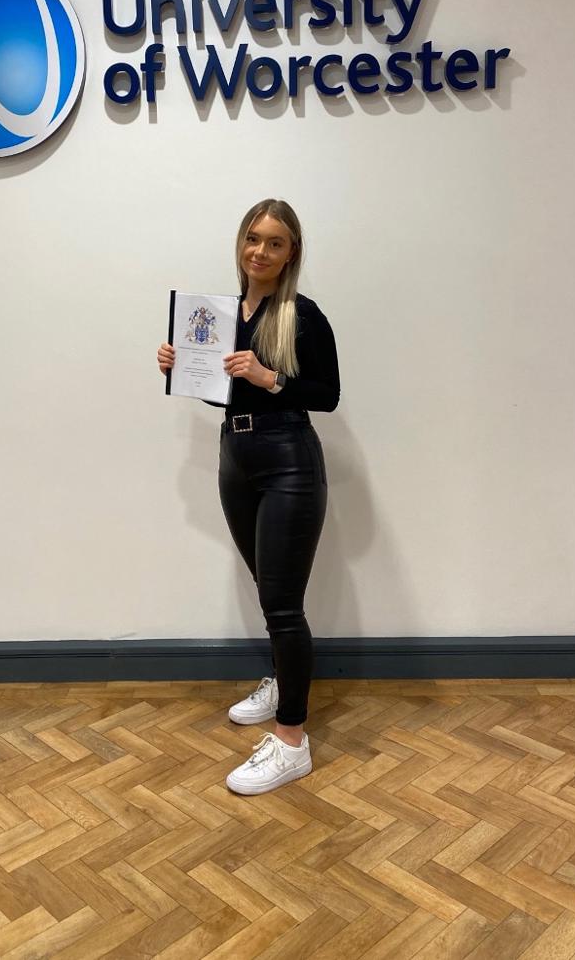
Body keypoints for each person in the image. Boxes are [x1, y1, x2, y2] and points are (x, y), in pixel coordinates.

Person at [157, 198, 340, 796]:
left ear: (292, 253)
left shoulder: (303, 315)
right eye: (253, 239)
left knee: (285, 605)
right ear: (241, 244)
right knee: (268, 588)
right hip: (235, 458)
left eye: (275, 242)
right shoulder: (220, 314)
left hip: (288, 459)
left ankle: (293, 740)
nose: (260, 251)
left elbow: (328, 393)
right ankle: (282, 684)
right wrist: (181, 367)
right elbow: (224, 394)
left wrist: (271, 378)